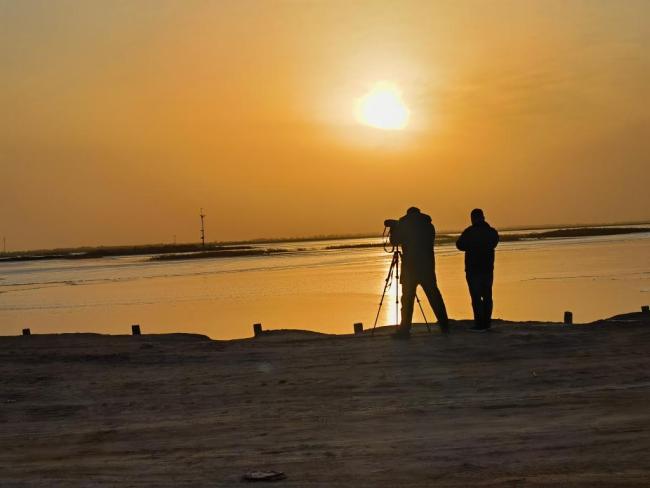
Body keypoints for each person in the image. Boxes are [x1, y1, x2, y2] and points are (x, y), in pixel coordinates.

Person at [391, 207, 449, 338]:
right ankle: (445, 325)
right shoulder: (429, 226)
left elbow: (394, 241)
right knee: (434, 296)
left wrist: (394, 228)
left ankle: (405, 329)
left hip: (410, 268)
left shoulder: (404, 225)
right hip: (427, 267)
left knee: (407, 300)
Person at [456, 209, 499, 332]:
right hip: (487, 268)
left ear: (473, 218)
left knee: (476, 297)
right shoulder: (491, 232)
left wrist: (472, 246)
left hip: (473, 269)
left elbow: (459, 245)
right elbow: (494, 242)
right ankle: (486, 322)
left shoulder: (469, 232)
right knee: (487, 295)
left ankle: (480, 322)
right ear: (483, 217)